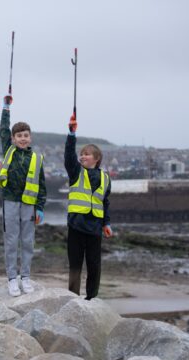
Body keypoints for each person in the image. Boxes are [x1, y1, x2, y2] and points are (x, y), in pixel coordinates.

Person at [0, 94, 46, 297]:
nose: (23, 138)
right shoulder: (9, 150)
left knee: (27, 241)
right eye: (19, 135)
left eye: (26, 135)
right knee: (11, 241)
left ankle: (25, 277)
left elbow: (42, 184)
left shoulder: (37, 158)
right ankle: (11, 278)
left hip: (29, 204)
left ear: (30, 137)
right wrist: (6, 109)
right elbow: (2, 130)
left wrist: (41, 207)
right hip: (10, 201)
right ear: (13, 138)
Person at [64, 114, 113, 300]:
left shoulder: (106, 178)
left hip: (95, 228)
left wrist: (106, 223)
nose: (82, 156)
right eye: (81, 154)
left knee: (94, 265)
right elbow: (69, 156)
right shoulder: (76, 172)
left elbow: (105, 202)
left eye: (86, 154)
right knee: (75, 264)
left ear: (97, 158)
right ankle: (73, 297)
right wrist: (71, 134)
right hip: (76, 226)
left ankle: (91, 297)